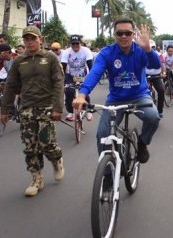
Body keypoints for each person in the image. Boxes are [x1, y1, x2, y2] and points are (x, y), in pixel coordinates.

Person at [72, 18, 161, 165]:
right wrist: (82, 95)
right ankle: (107, 175)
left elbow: (155, 65)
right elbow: (95, 73)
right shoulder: (107, 53)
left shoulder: (140, 50)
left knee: (153, 117)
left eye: (127, 33)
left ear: (133, 34)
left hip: (139, 96)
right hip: (115, 100)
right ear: (115, 35)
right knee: (102, 135)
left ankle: (142, 143)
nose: (124, 36)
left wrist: (148, 50)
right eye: (120, 33)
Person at [0, 26, 65, 197]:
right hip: (27, 107)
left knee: (46, 142)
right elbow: (11, 86)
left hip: (47, 106)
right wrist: (4, 109)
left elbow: (59, 83)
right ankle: (36, 179)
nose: (29, 42)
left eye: (32, 39)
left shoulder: (50, 58)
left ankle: (56, 160)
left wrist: (58, 107)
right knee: (30, 146)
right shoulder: (19, 61)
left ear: (40, 40)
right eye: (26, 39)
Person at [61, 34, 94, 121]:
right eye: (73, 44)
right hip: (70, 75)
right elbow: (63, 67)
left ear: (80, 43)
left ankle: (88, 110)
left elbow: (90, 65)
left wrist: (91, 78)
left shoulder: (86, 51)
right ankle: (70, 112)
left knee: (83, 91)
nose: (75, 46)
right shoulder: (66, 52)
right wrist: (62, 80)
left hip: (83, 75)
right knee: (68, 91)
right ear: (70, 44)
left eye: (77, 43)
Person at [146, 39, 166, 118]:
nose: (151, 49)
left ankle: (160, 110)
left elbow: (163, 65)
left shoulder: (159, 54)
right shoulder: (141, 54)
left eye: (152, 47)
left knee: (161, 90)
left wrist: (164, 73)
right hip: (145, 76)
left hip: (156, 76)